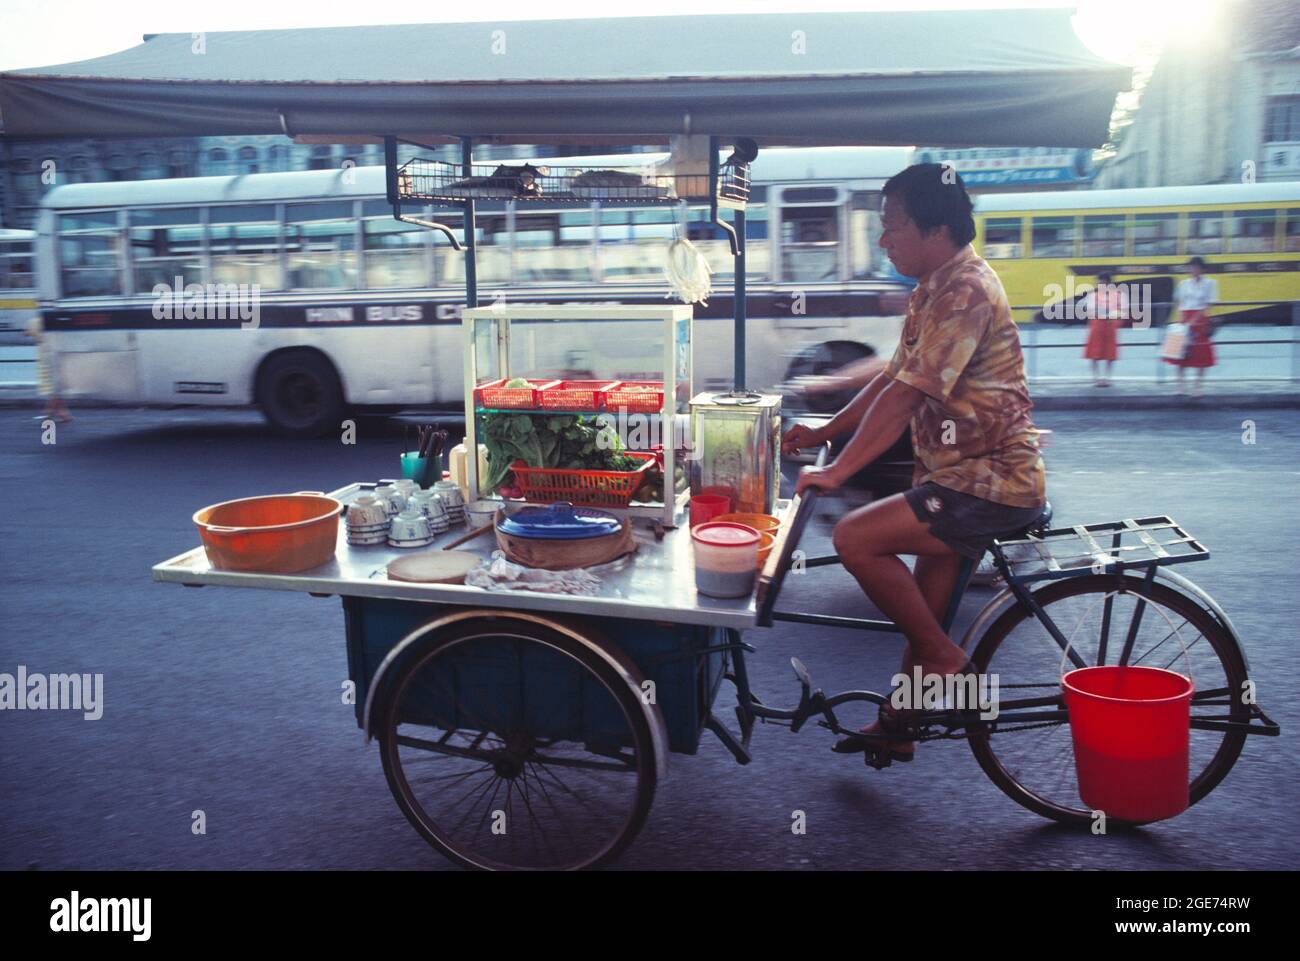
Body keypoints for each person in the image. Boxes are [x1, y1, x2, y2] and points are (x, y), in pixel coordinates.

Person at [781, 163, 1047, 764]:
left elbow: (907, 396)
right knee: (921, 613)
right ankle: (899, 725)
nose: (882, 240)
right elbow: (890, 379)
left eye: (890, 226)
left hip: (987, 484)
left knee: (855, 539)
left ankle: (951, 663)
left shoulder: (966, 290)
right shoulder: (935, 286)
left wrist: (839, 471)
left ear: (935, 228)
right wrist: (825, 431)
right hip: (957, 477)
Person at [1167, 256, 1218, 397]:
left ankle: (1198, 387)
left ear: (1202, 269)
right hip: (1184, 317)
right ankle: (1180, 386)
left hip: (1200, 319)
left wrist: (1196, 318)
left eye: (1195, 267)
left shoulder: (1210, 283)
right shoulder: (1183, 284)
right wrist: (1179, 317)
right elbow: (1176, 300)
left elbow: (1209, 303)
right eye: (1190, 267)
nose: (1192, 270)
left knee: (1201, 354)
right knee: (1179, 354)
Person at [1081, 270, 1128, 386]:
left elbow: (1123, 310)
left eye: (1102, 283)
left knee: (1110, 353)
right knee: (1094, 352)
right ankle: (1096, 377)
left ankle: (1107, 377)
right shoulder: (1092, 296)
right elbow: (1089, 311)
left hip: (1111, 324)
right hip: (1097, 323)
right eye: (1099, 283)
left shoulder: (1119, 295)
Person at [25, 316, 72, 424]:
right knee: (57, 383)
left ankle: (57, 412)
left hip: (44, 353)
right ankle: (54, 412)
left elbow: (26, 333)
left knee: (54, 383)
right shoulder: (55, 319)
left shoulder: (33, 321)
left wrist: (34, 333)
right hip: (56, 351)